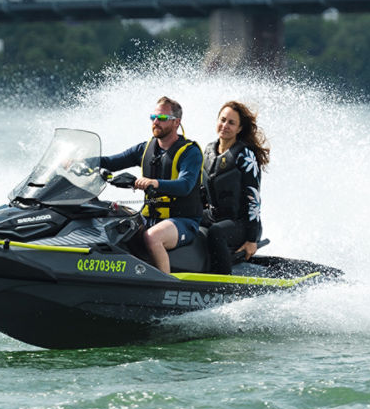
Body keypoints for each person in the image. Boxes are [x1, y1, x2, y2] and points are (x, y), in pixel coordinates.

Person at [100, 96, 204, 275]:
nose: (156, 122)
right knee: (110, 221)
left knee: (152, 237)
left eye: (162, 119)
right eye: (153, 117)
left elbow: (185, 185)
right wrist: (79, 161)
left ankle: (165, 287)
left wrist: (154, 183)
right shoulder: (145, 148)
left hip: (183, 221)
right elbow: (111, 162)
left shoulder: (190, 152)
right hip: (150, 218)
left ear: (176, 122)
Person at [202, 100, 269, 274]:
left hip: (241, 224)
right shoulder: (209, 150)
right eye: (222, 120)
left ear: (239, 129)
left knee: (216, 232)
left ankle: (222, 281)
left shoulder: (245, 155)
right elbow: (202, 191)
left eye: (231, 123)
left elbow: (253, 198)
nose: (225, 125)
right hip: (214, 216)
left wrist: (251, 239)